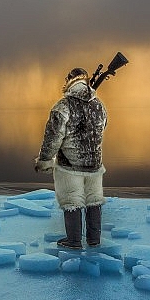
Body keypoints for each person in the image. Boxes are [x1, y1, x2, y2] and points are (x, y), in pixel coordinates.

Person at [34, 67, 108, 249]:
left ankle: (74, 241)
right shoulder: (99, 105)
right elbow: (102, 127)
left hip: (70, 166)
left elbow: (53, 137)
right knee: (94, 199)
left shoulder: (63, 106)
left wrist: (44, 161)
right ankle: (94, 239)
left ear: (69, 81)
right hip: (94, 165)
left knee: (71, 200)